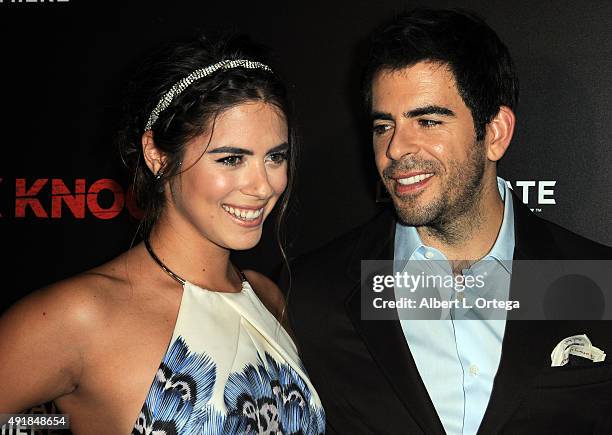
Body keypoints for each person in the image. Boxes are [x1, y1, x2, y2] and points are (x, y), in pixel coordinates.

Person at [286, 9, 612, 435]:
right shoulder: (313, 296)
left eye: (428, 121)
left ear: (495, 133)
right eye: (384, 125)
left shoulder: (597, 279)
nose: (397, 147)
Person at [0, 35, 325, 434]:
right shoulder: (78, 316)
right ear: (158, 156)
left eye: (275, 157)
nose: (262, 185)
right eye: (231, 158)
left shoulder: (265, 296)